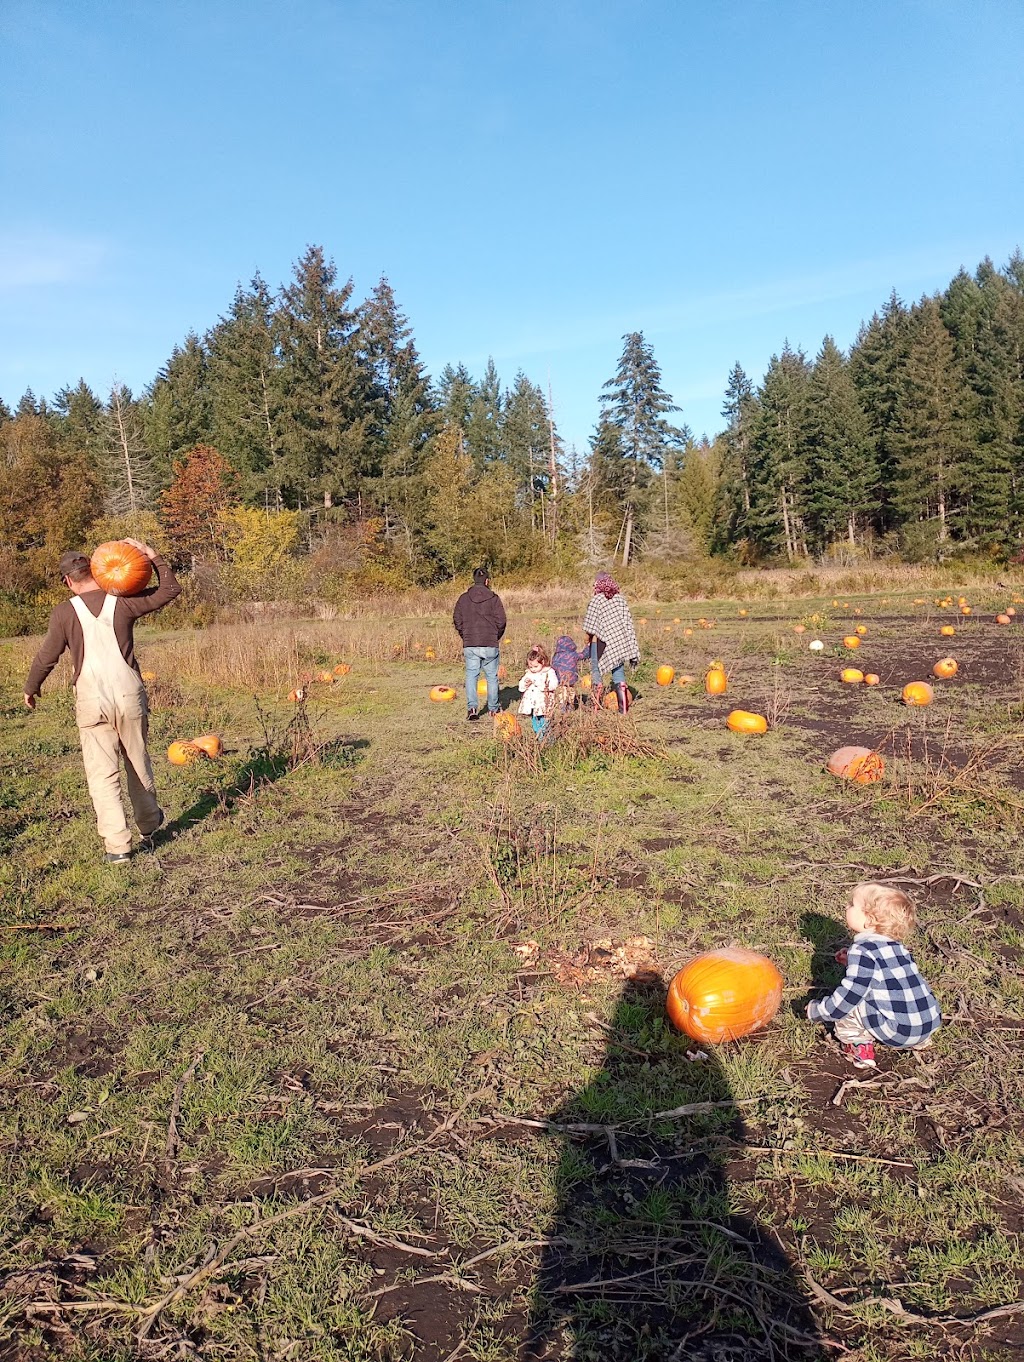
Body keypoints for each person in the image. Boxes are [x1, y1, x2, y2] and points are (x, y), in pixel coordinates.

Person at [23, 540, 182, 863]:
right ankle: (150, 826)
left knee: (102, 773)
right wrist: (154, 558)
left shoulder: (64, 612)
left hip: (91, 697)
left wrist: (31, 687)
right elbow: (169, 590)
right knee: (137, 759)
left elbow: (47, 656)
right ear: (96, 570)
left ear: (68, 580)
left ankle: (118, 847)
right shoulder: (121, 601)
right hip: (128, 692)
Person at [806, 882, 941, 1069]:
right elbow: (886, 976)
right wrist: (850, 962)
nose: (846, 907)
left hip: (897, 1031)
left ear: (869, 920)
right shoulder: (898, 948)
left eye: (852, 904)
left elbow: (850, 995)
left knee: (853, 1001)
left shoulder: (863, 950)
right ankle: (919, 1041)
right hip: (928, 1023)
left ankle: (858, 1046)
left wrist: (819, 1011)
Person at [452, 566, 506, 721]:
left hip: (471, 643)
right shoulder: (494, 598)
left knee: (471, 675)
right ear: (487, 581)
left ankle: (472, 708)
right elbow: (501, 621)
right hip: (490, 642)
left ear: (474, 580)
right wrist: (496, 635)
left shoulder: (463, 598)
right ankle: (493, 709)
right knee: (491, 677)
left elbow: (457, 619)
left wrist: (465, 635)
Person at [582, 572, 639, 712]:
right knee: (618, 673)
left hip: (599, 642)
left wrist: (588, 640)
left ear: (598, 584)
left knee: (596, 671)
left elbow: (590, 626)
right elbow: (627, 622)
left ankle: (594, 708)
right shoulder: (621, 599)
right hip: (618, 642)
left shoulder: (597, 600)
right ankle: (623, 710)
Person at [517, 644, 559, 738]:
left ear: (543, 662)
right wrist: (525, 684)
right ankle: (540, 739)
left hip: (544, 704)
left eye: (535, 666)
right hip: (533, 705)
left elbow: (553, 685)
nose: (533, 669)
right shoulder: (529, 673)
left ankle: (548, 742)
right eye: (531, 667)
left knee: (545, 725)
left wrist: (538, 683)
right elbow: (521, 687)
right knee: (536, 725)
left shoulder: (549, 672)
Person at [550, 633, 589, 710]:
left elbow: (553, 667)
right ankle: (570, 706)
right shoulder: (573, 655)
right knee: (571, 692)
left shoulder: (556, 656)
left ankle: (563, 707)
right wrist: (588, 647)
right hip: (571, 679)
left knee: (562, 694)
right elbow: (583, 655)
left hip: (560, 680)